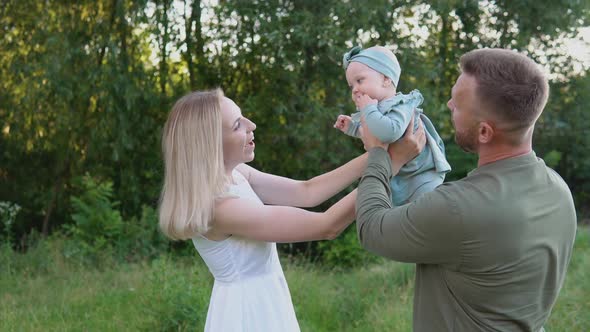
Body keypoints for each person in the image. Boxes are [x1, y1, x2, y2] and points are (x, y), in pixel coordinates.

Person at [158, 88, 426, 331]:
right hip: (247, 313)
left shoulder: (236, 174)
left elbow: (306, 191)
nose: (252, 125)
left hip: (267, 297)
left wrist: (378, 154)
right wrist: (390, 164)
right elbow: (327, 226)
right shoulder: (220, 208)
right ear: (209, 145)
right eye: (238, 125)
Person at [355, 48, 577, 331]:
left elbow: (371, 229)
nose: (448, 104)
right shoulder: (558, 189)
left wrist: (378, 153)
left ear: (485, 132)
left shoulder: (458, 208)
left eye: (457, 105)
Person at [334, 45, 451, 205]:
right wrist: (353, 128)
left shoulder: (401, 104)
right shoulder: (374, 111)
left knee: (424, 214)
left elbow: (389, 132)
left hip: (422, 176)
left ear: (386, 79)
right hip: (400, 175)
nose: (354, 90)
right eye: (351, 86)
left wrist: (368, 110)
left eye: (359, 80)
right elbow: (374, 135)